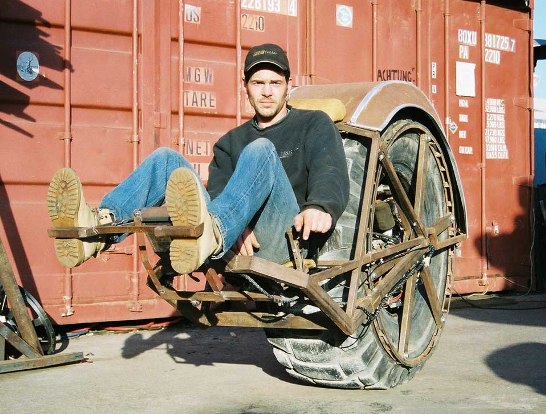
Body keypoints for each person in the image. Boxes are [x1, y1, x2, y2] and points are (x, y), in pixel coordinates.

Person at [47, 43, 350, 275]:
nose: (267, 92)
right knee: (165, 157)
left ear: (288, 85)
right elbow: (219, 194)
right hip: (234, 239)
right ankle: (98, 230)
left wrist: (320, 206)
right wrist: (236, 226)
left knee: (261, 150)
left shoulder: (314, 124)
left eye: (275, 83)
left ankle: (213, 232)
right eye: (258, 84)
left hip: (287, 237)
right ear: (245, 87)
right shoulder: (229, 143)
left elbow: (330, 170)